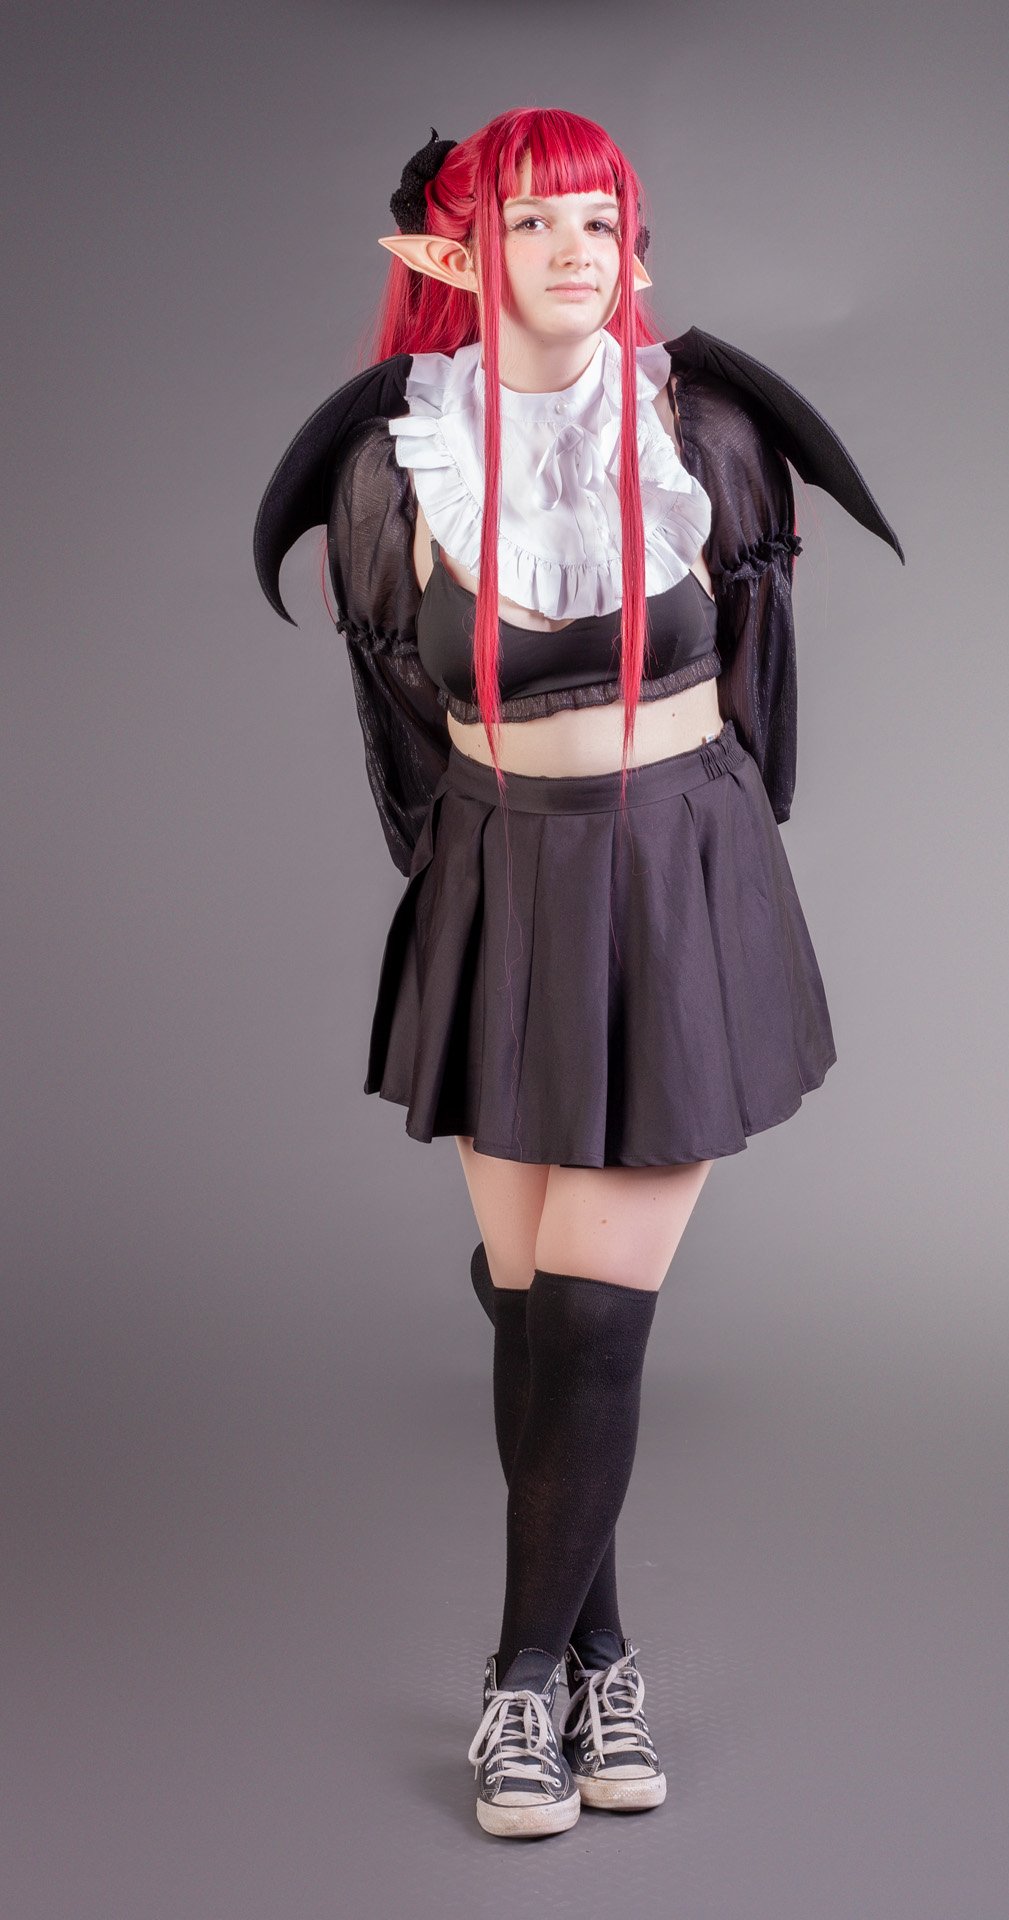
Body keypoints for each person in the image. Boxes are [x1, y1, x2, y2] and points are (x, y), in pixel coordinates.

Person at [254, 107, 901, 1839]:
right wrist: (483, 878)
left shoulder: (708, 433)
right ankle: (606, 1654)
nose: (572, 251)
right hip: (499, 884)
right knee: (536, 1306)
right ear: (451, 254)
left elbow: (759, 678)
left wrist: (703, 877)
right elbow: (402, 719)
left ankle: (517, 1689)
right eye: (533, 220)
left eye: (599, 221)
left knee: (597, 1321)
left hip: (675, 881)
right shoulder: (395, 465)